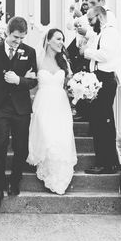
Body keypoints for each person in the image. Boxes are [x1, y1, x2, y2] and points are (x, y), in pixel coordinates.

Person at [0, 16, 37, 208]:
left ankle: (15, 179)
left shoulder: (29, 52)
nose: (18, 42)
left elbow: (33, 80)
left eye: (22, 38)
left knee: (21, 147)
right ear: (8, 32)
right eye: (15, 37)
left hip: (21, 108)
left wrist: (19, 80)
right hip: (0, 107)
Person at [27, 29, 77, 194]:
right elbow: (30, 81)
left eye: (62, 39)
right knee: (48, 137)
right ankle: (49, 172)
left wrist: (80, 88)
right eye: (58, 39)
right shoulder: (37, 59)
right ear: (48, 40)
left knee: (61, 138)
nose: (61, 42)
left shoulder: (64, 61)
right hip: (43, 102)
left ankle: (60, 176)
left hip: (61, 104)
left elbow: (71, 83)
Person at [82, 6, 121, 174]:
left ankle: (106, 163)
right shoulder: (102, 33)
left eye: (91, 20)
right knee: (99, 122)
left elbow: (106, 55)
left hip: (105, 80)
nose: (90, 24)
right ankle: (105, 162)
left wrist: (87, 52)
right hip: (99, 79)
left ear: (99, 17)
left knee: (103, 123)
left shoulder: (110, 32)